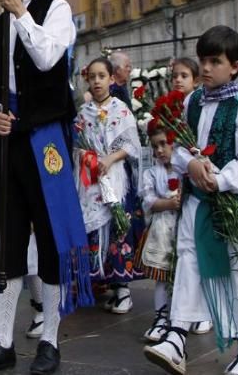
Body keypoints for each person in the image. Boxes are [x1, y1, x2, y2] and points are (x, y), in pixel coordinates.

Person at [0, 0, 92, 375]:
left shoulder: (56, 10)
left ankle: (50, 340)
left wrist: (20, 12)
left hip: (46, 138)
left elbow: (46, 59)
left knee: (52, 235)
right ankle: (2, 342)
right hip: (8, 137)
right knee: (7, 237)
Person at [145, 26, 238, 375]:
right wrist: (192, 163)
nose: (206, 68)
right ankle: (177, 336)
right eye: (203, 60)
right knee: (188, 261)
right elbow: (183, 146)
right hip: (196, 201)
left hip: (232, 204)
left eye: (215, 61)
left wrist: (220, 177)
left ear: (234, 66)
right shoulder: (193, 101)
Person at [74, 57, 143, 314]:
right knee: (95, 231)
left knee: (118, 230)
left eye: (101, 76)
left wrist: (111, 158)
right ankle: (103, 281)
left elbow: (130, 142)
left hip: (115, 179)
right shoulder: (83, 113)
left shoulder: (121, 109)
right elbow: (78, 145)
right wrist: (86, 156)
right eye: (92, 77)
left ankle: (123, 288)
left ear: (111, 79)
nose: (97, 81)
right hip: (92, 179)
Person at [136, 121, 212, 343]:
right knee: (162, 276)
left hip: (186, 227)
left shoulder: (185, 170)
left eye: (164, 144)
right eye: (155, 146)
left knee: (192, 271)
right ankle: (161, 317)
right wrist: (168, 203)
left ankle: (201, 313)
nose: (160, 150)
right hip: (163, 231)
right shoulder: (151, 173)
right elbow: (148, 201)